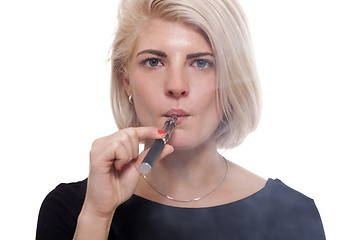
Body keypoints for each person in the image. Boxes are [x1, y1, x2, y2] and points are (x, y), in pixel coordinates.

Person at [36, 0, 326, 239]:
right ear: (126, 81)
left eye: (201, 63)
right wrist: (97, 217)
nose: (176, 85)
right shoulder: (73, 209)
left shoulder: (290, 214)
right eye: (154, 62)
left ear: (231, 81)